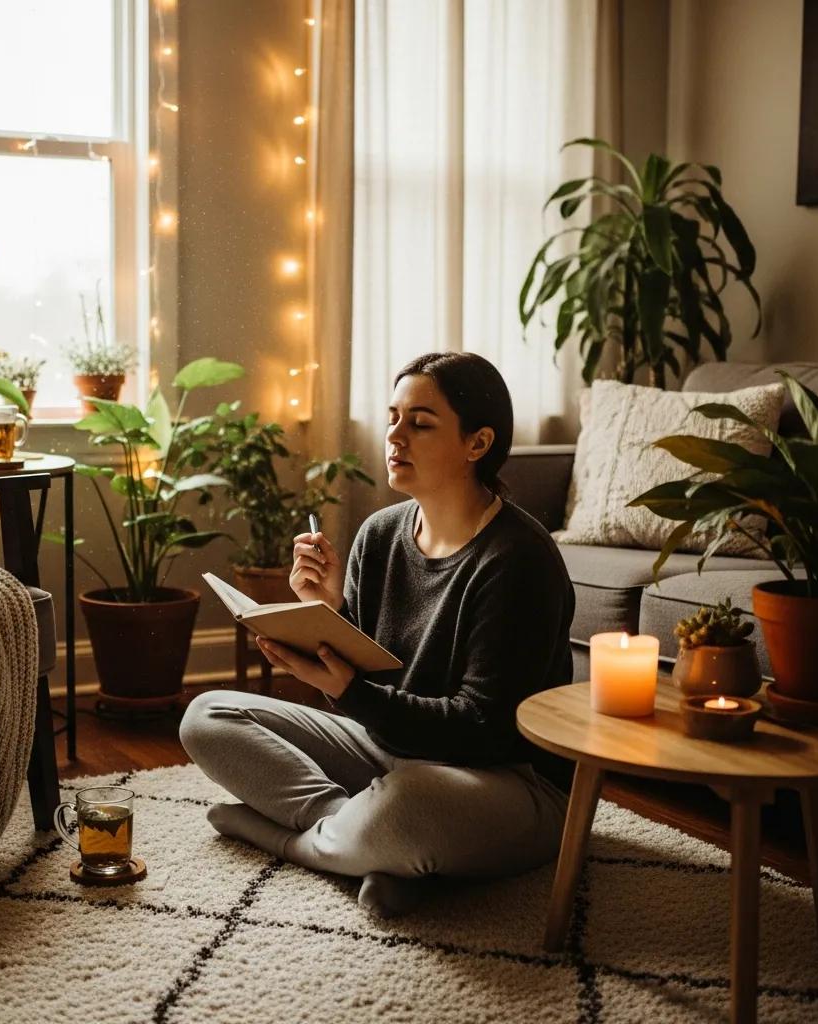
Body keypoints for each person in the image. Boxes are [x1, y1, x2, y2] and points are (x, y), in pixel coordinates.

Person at [179, 351, 574, 918]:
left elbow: (484, 732)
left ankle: (293, 840)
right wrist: (324, 613)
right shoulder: (379, 534)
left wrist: (352, 693)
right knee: (207, 716)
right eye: (392, 417)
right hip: (390, 753)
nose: (395, 436)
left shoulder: (519, 560)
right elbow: (367, 686)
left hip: (504, 780)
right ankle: (373, 843)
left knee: (412, 805)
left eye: (421, 423)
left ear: (477, 444)